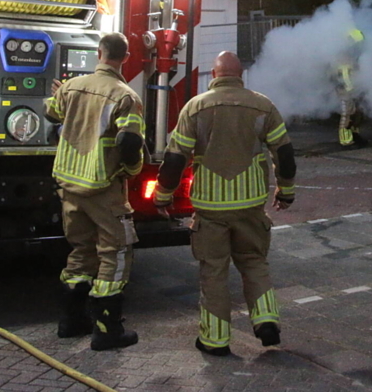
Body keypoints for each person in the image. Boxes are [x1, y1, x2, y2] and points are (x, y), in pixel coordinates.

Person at [153, 51, 296, 356]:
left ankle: (215, 340)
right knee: (255, 262)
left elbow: (175, 158)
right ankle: (266, 319)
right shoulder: (263, 105)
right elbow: (284, 154)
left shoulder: (195, 107)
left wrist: (163, 196)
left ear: (215, 75)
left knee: (214, 272)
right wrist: (286, 191)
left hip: (211, 209)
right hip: (250, 204)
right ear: (241, 75)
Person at [44, 32, 145, 351]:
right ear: (125, 58)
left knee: (81, 252)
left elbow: (51, 113)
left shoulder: (72, 86)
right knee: (115, 254)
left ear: (99, 53)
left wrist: (62, 95)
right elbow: (130, 143)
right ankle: (107, 331)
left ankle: (70, 322)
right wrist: (129, 171)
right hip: (103, 189)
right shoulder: (126, 95)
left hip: (69, 188)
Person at [334, 29, 368, 149]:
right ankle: (346, 140)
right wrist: (350, 88)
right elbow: (344, 74)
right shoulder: (343, 56)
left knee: (358, 114)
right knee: (347, 114)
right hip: (346, 90)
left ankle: (355, 134)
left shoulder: (354, 55)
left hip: (355, 89)